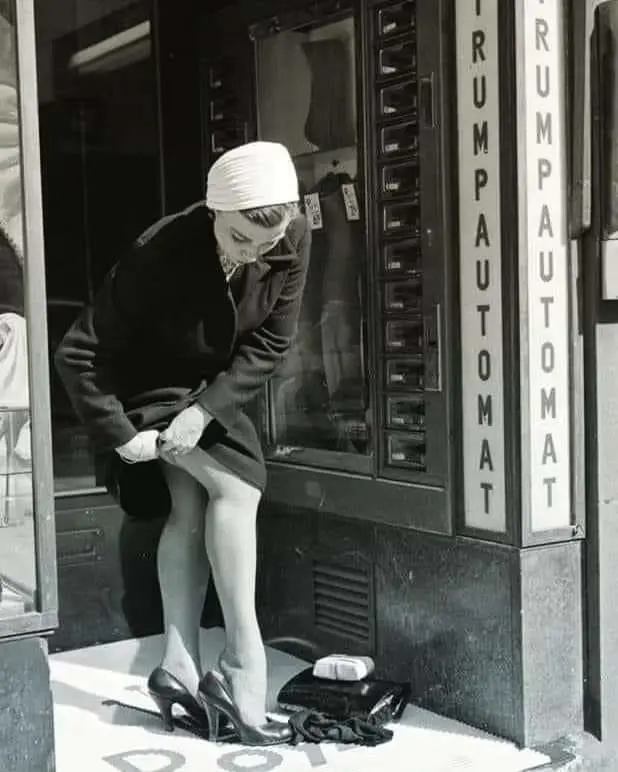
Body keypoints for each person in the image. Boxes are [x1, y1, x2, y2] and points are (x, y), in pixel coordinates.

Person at [54, 141, 310, 746]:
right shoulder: (159, 250)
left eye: (266, 244)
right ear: (214, 209)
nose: (253, 254)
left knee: (193, 506)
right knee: (239, 488)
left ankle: (178, 666)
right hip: (149, 385)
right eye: (240, 238)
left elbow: (271, 343)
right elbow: (77, 352)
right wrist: (122, 437)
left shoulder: (293, 234)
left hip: (211, 389)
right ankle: (243, 662)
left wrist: (208, 410)